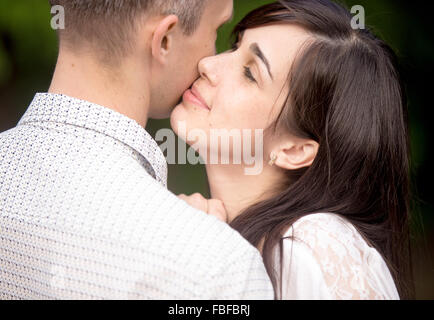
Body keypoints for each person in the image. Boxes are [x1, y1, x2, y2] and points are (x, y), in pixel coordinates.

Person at [0, 0, 274, 299]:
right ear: (164, 40)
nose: (210, 62)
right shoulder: (217, 269)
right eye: (217, 30)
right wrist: (203, 245)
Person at [175, 0, 414, 300]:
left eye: (250, 73)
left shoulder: (312, 246)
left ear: (295, 149)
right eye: (235, 46)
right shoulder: (231, 238)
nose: (208, 65)